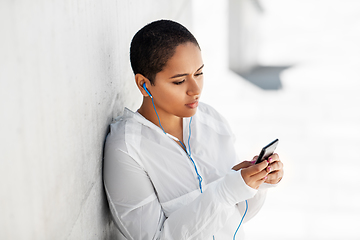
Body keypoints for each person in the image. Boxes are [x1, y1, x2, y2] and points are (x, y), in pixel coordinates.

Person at [103, 19, 284, 240]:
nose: (195, 90)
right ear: (144, 84)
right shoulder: (127, 149)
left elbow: (236, 217)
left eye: (198, 73)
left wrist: (257, 182)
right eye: (179, 81)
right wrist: (226, 190)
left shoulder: (211, 121)